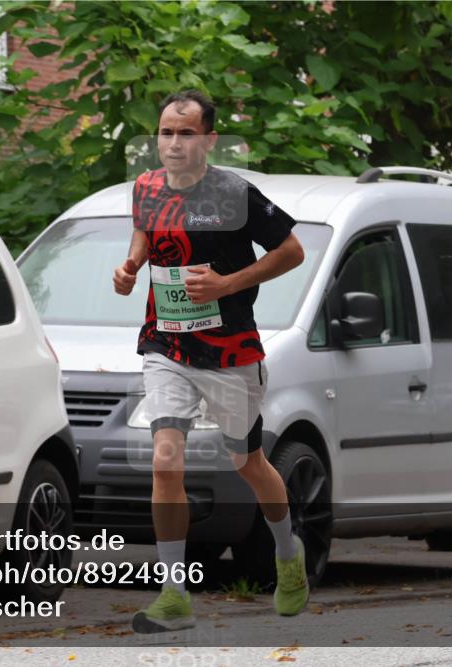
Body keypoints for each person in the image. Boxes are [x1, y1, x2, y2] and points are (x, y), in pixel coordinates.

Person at [112, 90, 308, 634]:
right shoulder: (146, 187)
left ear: (209, 139)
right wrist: (130, 266)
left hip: (229, 350)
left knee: (248, 463)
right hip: (165, 342)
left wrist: (228, 282)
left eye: (186, 133)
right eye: (166, 132)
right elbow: (145, 234)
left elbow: (292, 252)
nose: (173, 143)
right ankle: (173, 594)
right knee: (164, 458)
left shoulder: (234, 192)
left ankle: (288, 556)